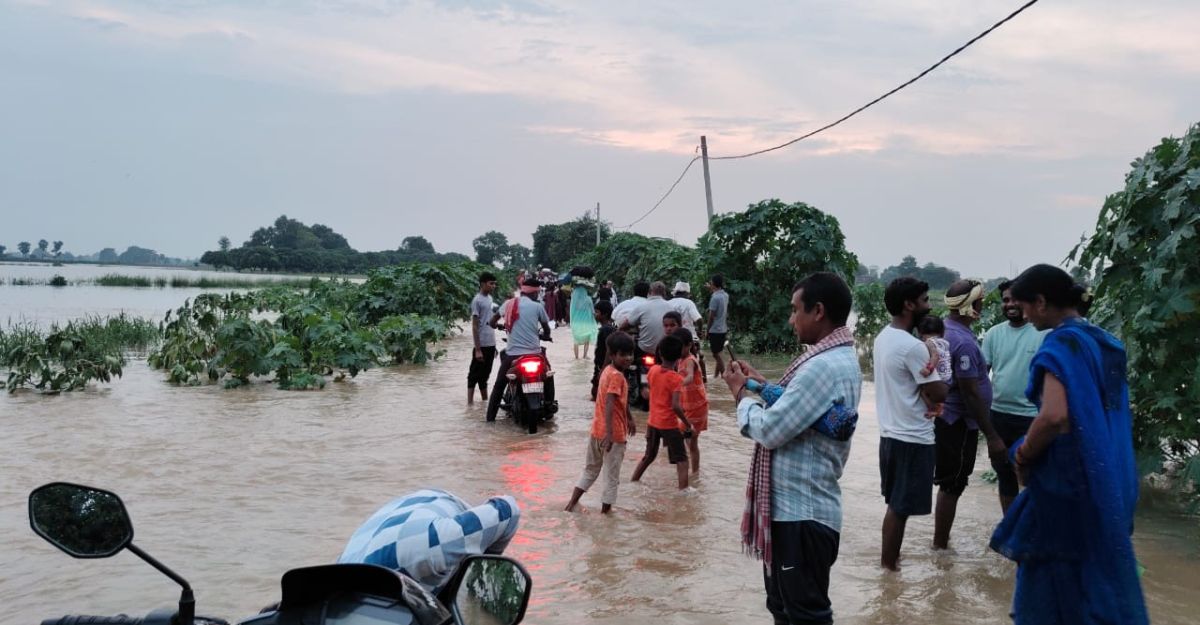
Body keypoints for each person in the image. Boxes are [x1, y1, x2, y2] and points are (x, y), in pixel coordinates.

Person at [990, 264, 1147, 625]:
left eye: (1025, 305)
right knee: (1089, 587)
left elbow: (1054, 416)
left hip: (1065, 485)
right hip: (1107, 479)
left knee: (1049, 592)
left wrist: (1024, 454)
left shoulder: (1061, 342)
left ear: (1042, 302)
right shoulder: (1103, 341)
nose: (1024, 314)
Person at [721, 272, 861, 625]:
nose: (790, 319)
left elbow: (771, 429)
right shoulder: (838, 359)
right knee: (785, 610)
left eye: (794, 310)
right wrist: (760, 385)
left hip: (800, 515)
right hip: (797, 513)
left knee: (804, 616)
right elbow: (804, 410)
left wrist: (741, 396)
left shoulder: (821, 367)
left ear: (818, 311)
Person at [873, 277, 949, 571]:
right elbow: (938, 391)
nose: (929, 306)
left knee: (896, 505)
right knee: (900, 508)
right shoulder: (912, 346)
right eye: (926, 300)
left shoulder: (883, 337)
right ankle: (888, 571)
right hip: (912, 437)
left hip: (890, 434)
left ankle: (890, 566)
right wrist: (936, 352)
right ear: (909, 305)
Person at [933, 279, 1006, 551]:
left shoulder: (944, 330)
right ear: (971, 305)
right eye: (980, 303)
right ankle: (940, 547)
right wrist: (992, 436)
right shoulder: (961, 341)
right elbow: (970, 393)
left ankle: (941, 543)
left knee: (950, 483)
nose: (982, 307)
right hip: (959, 423)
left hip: (948, 420)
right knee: (952, 485)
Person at [338, 488, 520, 592]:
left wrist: (478, 572)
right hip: (386, 526)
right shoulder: (334, 588)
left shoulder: (440, 545)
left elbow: (508, 510)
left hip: (434, 508)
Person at [981, 279, 1047, 513]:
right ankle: (1009, 525)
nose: (1010, 304)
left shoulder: (1043, 333)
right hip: (998, 416)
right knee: (1005, 476)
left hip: (1032, 417)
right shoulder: (992, 334)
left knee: (1033, 477)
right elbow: (981, 378)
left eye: (1016, 300)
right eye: (1006, 300)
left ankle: (1033, 530)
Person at [566, 331, 637, 514]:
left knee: (590, 471)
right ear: (613, 355)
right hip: (612, 436)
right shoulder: (618, 376)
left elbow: (618, 400)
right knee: (611, 477)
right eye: (623, 355)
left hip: (596, 431)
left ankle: (571, 504)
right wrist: (610, 434)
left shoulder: (607, 370)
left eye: (630, 354)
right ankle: (606, 515)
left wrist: (628, 417)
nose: (628, 358)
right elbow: (610, 403)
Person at [486, 278, 555, 422]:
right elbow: (547, 328)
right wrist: (546, 335)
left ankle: (490, 419)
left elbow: (493, 321)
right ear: (535, 293)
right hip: (535, 353)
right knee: (548, 376)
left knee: (499, 385)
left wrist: (496, 326)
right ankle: (549, 407)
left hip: (513, 355)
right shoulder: (538, 307)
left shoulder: (508, 304)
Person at [630, 334, 693, 490]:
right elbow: (676, 406)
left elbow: (650, 392)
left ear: (660, 353)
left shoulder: (653, 371)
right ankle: (683, 491)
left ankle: (633, 481)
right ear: (679, 357)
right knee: (682, 459)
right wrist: (687, 424)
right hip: (669, 425)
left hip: (653, 422)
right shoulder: (676, 379)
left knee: (649, 456)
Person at [673, 327, 708, 475]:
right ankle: (692, 472)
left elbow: (689, 377)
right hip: (686, 406)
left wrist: (675, 383)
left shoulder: (690, 360)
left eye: (679, 346)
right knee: (689, 441)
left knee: (691, 441)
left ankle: (694, 472)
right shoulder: (679, 359)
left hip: (697, 406)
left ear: (689, 346)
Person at [467, 272, 499, 406]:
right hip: (482, 344)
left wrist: (494, 346)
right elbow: (474, 326)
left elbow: (489, 322)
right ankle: (469, 404)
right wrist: (478, 349)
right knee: (473, 375)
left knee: (485, 375)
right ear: (483, 284)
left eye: (494, 283)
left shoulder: (490, 299)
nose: (493, 286)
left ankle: (484, 403)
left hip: (490, 343)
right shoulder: (477, 300)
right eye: (491, 283)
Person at [621, 281, 674, 359]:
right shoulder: (671, 307)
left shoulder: (642, 306)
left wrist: (619, 330)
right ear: (664, 293)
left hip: (644, 349)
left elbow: (626, 324)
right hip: (666, 349)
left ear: (649, 292)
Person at [917, 315, 952, 416]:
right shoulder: (945, 343)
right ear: (942, 332)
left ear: (920, 332)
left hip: (938, 377)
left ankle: (932, 407)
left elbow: (935, 355)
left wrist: (929, 369)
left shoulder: (929, 342)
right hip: (948, 376)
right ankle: (939, 408)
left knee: (921, 392)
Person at [591, 300, 617, 401]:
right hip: (603, 366)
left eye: (597, 312)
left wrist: (603, 369)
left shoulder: (606, 329)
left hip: (602, 366)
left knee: (597, 394)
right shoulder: (611, 327)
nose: (595, 314)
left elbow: (609, 349)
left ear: (604, 314)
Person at [706, 274, 730, 377]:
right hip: (723, 328)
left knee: (715, 354)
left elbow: (711, 316)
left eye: (711, 283)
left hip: (715, 329)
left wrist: (707, 330)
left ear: (714, 284)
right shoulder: (725, 295)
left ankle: (725, 375)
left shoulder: (714, 298)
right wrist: (711, 289)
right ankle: (716, 377)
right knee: (719, 353)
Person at [570, 276, 598, 359]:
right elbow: (593, 312)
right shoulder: (588, 299)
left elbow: (571, 311)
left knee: (576, 340)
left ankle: (576, 358)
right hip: (587, 322)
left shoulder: (574, 301)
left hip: (576, 322)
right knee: (586, 340)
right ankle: (585, 356)